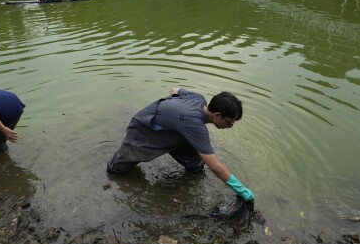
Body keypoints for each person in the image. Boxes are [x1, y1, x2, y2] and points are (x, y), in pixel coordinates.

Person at [107, 87, 254, 202]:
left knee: (195, 163)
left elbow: (175, 89)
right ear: (217, 115)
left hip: (176, 131)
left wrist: (173, 112)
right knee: (116, 170)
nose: (228, 127)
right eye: (229, 123)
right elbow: (215, 166)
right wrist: (242, 190)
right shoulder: (195, 125)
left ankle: (191, 175)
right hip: (144, 128)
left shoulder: (198, 99)